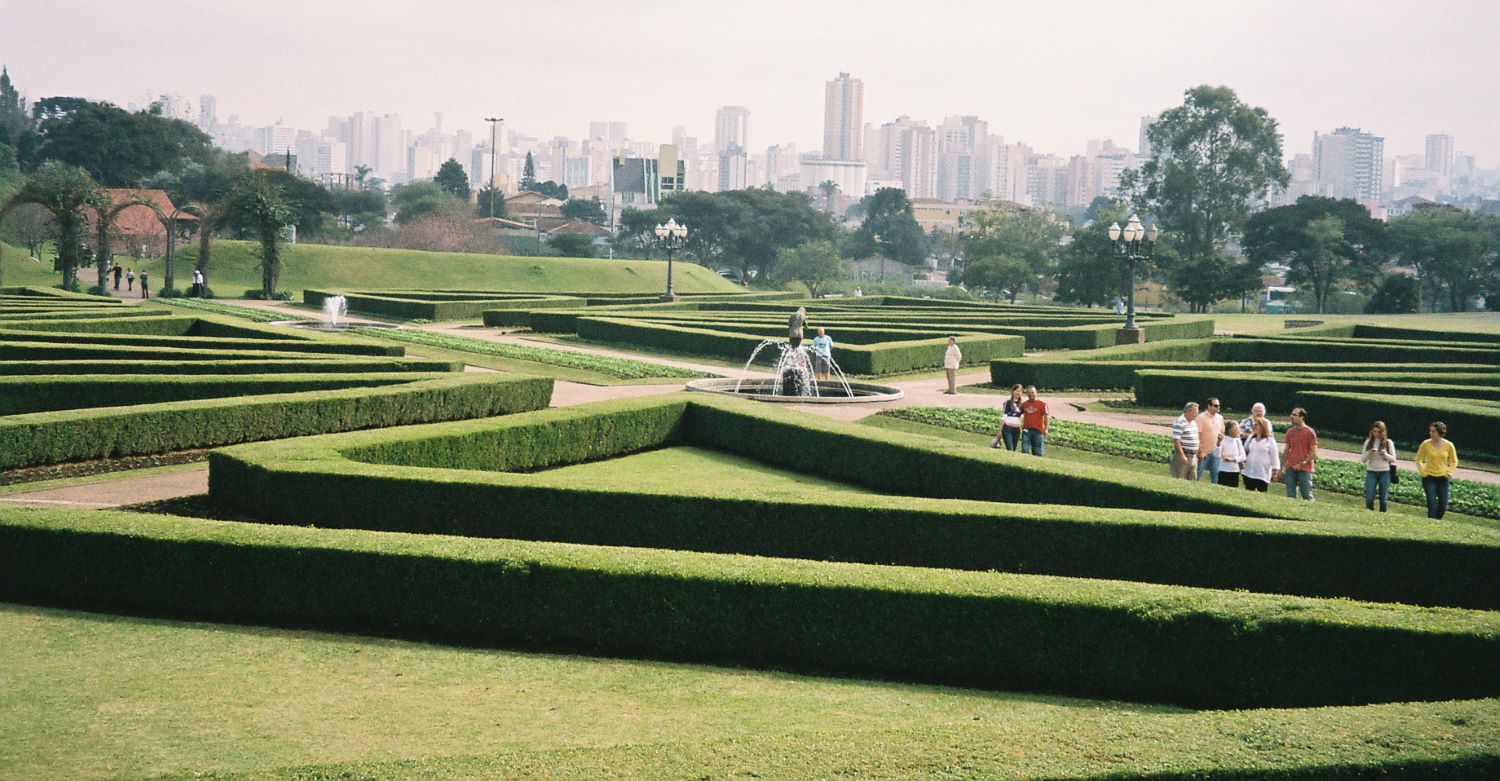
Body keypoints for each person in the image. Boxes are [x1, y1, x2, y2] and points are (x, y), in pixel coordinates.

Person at [1415, 421, 1459, 520]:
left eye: (1433, 431)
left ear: (1440, 432)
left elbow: (1454, 460)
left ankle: (1437, 522)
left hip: (1443, 478)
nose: (1431, 433)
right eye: (1430, 431)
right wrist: (1423, 472)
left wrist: (1449, 472)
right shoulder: (1426, 444)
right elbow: (1418, 459)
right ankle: (1431, 523)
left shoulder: (1449, 445)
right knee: (1432, 504)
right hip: (1429, 477)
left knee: (1443, 505)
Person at [1359, 421, 1398, 512]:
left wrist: (1385, 454)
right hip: (1371, 471)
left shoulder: (1388, 442)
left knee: (1383, 498)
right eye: (1374, 431)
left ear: (1383, 432)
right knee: (1369, 497)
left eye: (1379, 432)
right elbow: (1363, 460)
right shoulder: (1368, 442)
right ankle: (1369, 512)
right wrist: (1370, 452)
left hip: (1384, 472)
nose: (1376, 434)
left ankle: (1383, 514)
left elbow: (1393, 459)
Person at [1282, 407, 1318, 501]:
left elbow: (1313, 453)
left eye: (1294, 415)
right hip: (1291, 467)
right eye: (1291, 414)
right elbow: (1287, 449)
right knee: (1290, 495)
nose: (1291, 416)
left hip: (1305, 469)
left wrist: (1302, 463)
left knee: (1306, 494)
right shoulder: (1290, 432)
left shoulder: (1310, 432)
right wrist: (1283, 465)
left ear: (1301, 417)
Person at [1241, 417, 1279, 492]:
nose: (1254, 426)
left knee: (1261, 493)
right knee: (1248, 492)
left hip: (1262, 473)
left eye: (1257, 425)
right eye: (1254, 425)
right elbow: (1244, 451)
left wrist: (1275, 472)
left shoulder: (1270, 440)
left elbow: (1274, 457)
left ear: (1263, 427)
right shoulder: (1251, 438)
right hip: (1249, 471)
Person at [1196, 397, 1225, 483]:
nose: (1218, 407)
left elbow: (1222, 432)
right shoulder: (1201, 418)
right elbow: (1197, 435)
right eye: (1215, 405)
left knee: (1215, 477)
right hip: (1204, 453)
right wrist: (1200, 451)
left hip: (1215, 453)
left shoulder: (1220, 418)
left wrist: (1221, 438)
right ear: (1209, 406)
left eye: (1219, 405)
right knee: (1196, 475)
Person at [1170, 402, 1201, 479]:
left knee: (1192, 479)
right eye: (1196, 411)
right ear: (1189, 411)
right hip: (1183, 455)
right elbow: (1177, 441)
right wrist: (1182, 456)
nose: (1197, 413)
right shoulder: (1180, 422)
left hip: (1193, 456)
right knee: (1180, 478)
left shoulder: (1193, 423)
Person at [991, 384, 1024, 451]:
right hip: (1008, 428)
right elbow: (1004, 416)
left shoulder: (1022, 404)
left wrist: (1020, 427)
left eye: (1020, 391)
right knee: (1010, 449)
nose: (1018, 393)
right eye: (1017, 391)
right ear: (1013, 391)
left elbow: (1021, 416)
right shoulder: (1008, 402)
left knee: (1013, 449)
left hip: (1016, 430)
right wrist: (1000, 430)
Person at [1019, 385, 1048, 456]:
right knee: (1025, 451)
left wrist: (1046, 429)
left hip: (1038, 431)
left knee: (1038, 452)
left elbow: (1046, 418)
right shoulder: (1024, 404)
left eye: (1032, 392)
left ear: (1036, 392)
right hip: (1026, 431)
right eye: (1029, 393)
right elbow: (1019, 414)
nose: (1031, 394)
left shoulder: (1042, 404)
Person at [1217, 419, 1245, 488]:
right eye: (1236, 429)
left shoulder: (1238, 441)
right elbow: (1216, 454)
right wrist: (1219, 443)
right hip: (1223, 470)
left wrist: (1233, 459)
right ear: (1229, 430)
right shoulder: (1222, 439)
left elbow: (1243, 456)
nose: (1239, 431)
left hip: (1235, 471)